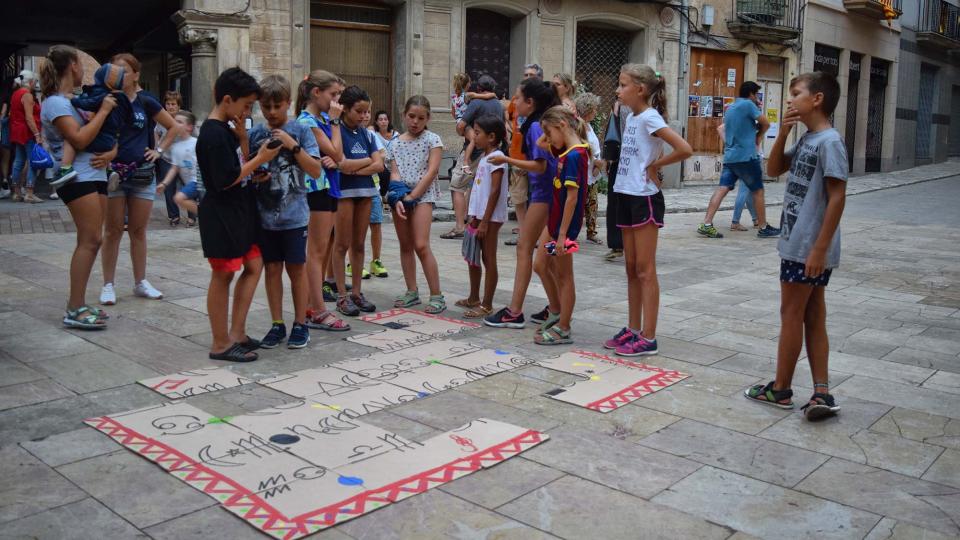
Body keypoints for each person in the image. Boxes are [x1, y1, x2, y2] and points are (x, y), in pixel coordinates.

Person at [744, 72, 848, 420]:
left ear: (817, 98)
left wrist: (818, 249)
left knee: (791, 315)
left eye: (796, 93)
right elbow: (773, 169)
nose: (789, 100)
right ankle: (822, 392)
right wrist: (784, 132)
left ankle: (781, 388)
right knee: (814, 315)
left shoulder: (829, 141)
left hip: (807, 246)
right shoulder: (808, 139)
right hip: (801, 243)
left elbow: (837, 197)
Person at [604, 64, 692, 357]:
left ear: (639, 89)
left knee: (645, 270)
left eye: (622, 84)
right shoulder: (632, 116)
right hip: (626, 194)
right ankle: (633, 328)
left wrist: (656, 165)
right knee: (631, 268)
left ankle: (649, 337)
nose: (618, 90)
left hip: (645, 198)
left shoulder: (650, 117)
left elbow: (684, 148)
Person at [198, 67, 279, 362]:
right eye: (246, 105)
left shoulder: (227, 130)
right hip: (222, 214)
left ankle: (238, 333)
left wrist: (245, 141)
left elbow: (239, 166)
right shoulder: (212, 133)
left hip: (240, 210)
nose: (247, 111)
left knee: (254, 265)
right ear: (228, 99)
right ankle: (220, 343)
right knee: (223, 274)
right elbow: (224, 179)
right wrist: (260, 157)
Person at [39, 45, 119, 329]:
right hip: (76, 178)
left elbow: (102, 137)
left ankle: (80, 303)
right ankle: (74, 308)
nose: (84, 69)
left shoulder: (72, 100)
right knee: (89, 240)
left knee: (93, 239)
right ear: (73, 65)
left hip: (93, 173)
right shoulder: (55, 103)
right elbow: (80, 139)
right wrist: (105, 109)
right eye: (80, 64)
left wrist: (111, 154)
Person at [248, 75, 323, 350]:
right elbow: (247, 171)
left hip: (295, 216)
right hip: (265, 215)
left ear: (288, 104)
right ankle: (277, 323)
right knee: (271, 269)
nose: (271, 112)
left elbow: (315, 170)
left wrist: (293, 145)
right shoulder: (256, 134)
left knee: (296, 270)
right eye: (266, 106)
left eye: (277, 106)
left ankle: (301, 323)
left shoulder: (301, 130)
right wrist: (256, 174)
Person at [99, 53, 179, 306]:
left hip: (142, 173)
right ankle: (108, 284)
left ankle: (140, 282)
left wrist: (159, 151)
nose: (119, 75)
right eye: (115, 70)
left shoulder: (146, 101)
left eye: (124, 70)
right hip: (113, 173)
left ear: (136, 74)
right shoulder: (108, 100)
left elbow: (173, 127)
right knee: (112, 231)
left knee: (138, 231)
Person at [484, 78, 560, 329]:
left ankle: (515, 311)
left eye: (517, 97)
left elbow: (541, 165)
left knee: (525, 249)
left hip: (544, 194)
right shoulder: (535, 123)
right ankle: (555, 306)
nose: (513, 102)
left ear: (530, 102)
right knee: (541, 257)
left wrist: (507, 159)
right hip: (545, 194)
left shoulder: (537, 126)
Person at [533, 106, 590, 345]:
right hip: (555, 222)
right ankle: (556, 311)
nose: (547, 137)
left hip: (565, 227)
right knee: (539, 264)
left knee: (565, 275)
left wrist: (563, 234)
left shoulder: (576, 156)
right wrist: (552, 129)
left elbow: (573, 197)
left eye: (549, 131)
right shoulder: (567, 151)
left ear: (562, 126)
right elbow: (540, 143)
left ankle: (564, 326)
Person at [697, 81, 780, 239]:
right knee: (758, 190)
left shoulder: (731, 108)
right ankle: (763, 226)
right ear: (751, 94)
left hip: (730, 157)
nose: (757, 98)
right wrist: (758, 136)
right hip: (747, 156)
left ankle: (706, 223)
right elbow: (766, 123)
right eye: (756, 94)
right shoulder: (748, 105)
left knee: (722, 188)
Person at [387, 95, 446, 313]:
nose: (415, 122)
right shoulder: (394, 143)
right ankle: (411, 291)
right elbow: (394, 172)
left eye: (421, 118)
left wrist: (413, 197)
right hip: (401, 195)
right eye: (411, 116)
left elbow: (432, 171)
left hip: (423, 195)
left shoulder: (433, 140)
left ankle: (436, 294)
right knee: (405, 245)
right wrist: (398, 198)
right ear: (404, 115)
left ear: (427, 118)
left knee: (421, 244)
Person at [330, 85, 383, 316]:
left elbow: (379, 165)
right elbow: (340, 162)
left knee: (359, 244)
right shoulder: (337, 132)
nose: (364, 116)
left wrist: (353, 167)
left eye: (366, 111)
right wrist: (363, 163)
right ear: (346, 109)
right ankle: (341, 295)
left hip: (366, 192)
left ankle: (357, 293)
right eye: (359, 111)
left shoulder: (367, 134)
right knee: (341, 243)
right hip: (344, 194)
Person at [458, 115, 507, 319]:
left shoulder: (497, 158)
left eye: (478, 133)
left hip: (490, 218)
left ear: (492, 136)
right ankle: (473, 297)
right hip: (478, 216)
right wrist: (472, 216)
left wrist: (485, 221)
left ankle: (487, 304)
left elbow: (494, 192)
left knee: (488, 259)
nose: (474, 137)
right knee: (473, 257)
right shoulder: (486, 157)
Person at [50, 63, 128, 189]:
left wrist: (73, 99)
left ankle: (66, 168)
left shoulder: (103, 95)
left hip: (98, 141)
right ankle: (109, 171)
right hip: (110, 140)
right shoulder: (122, 97)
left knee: (70, 139)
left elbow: (89, 103)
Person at [442, 75, 502, 240]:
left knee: (456, 185)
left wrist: (462, 131)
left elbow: (461, 124)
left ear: (479, 88)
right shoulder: (498, 104)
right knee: (476, 186)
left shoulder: (475, 102)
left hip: (474, 151)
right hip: (491, 152)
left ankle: (460, 226)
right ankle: (470, 221)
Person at [503, 64, 545, 247]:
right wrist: (509, 130)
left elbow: (541, 162)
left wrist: (504, 159)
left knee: (537, 196)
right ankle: (525, 233)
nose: (527, 77)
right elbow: (508, 112)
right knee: (519, 197)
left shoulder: (538, 120)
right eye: (525, 74)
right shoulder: (517, 100)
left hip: (533, 160)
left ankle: (537, 235)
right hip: (518, 155)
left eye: (532, 75)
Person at [156, 111, 201, 226]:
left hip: (199, 181)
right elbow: (174, 168)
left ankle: (206, 215)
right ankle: (207, 215)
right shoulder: (175, 147)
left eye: (179, 122)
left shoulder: (196, 143)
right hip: (190, 183)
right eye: (175, 122)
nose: (175, 124)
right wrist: (164, 184)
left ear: (189, 127)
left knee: (179, 198)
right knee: (179, 198)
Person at [602, 100, 632, 260]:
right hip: (626, 159)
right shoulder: (620, 105)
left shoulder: (622, 106)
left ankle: (618, 244)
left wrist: (608, 158)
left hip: (622, 159)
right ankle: (621, 243)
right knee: (618, 201)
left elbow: (613, 135)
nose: (619, 90)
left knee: (615, 202)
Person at [9, 70, 44, 203]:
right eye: (35, 81)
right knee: (32, 162)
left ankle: (16, 193)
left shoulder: (15, 94)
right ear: (30, 81)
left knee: (18, 161)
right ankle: (29, 192)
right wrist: (37, 134)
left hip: (17, 131)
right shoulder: (27, 95)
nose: (35, 83)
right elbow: (29, 118)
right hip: (27, 132)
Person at [575, 92, 604, 244]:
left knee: (592, 203)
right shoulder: (578, 126)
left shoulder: (589, 125)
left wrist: (597, 165)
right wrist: (595, 161)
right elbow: (582, 148)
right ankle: (571, 231)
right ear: (587, 109)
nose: (596, 112)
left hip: (592, 172)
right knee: (579, 203)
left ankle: (591, 232)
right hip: (583, 171)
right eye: (594, 109)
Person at [157, 91, 186, 226]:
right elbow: (156, 132)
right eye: (168, 104)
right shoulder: (161, 118)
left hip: (184, 160)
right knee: (169, 189)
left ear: (179, 106)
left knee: (188, 187)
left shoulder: (185, 118)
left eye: (173, 104)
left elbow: (195, 135)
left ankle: (192, 215)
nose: (170, 107)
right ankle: (174, 216)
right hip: (167, 159)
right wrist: (158, 148)